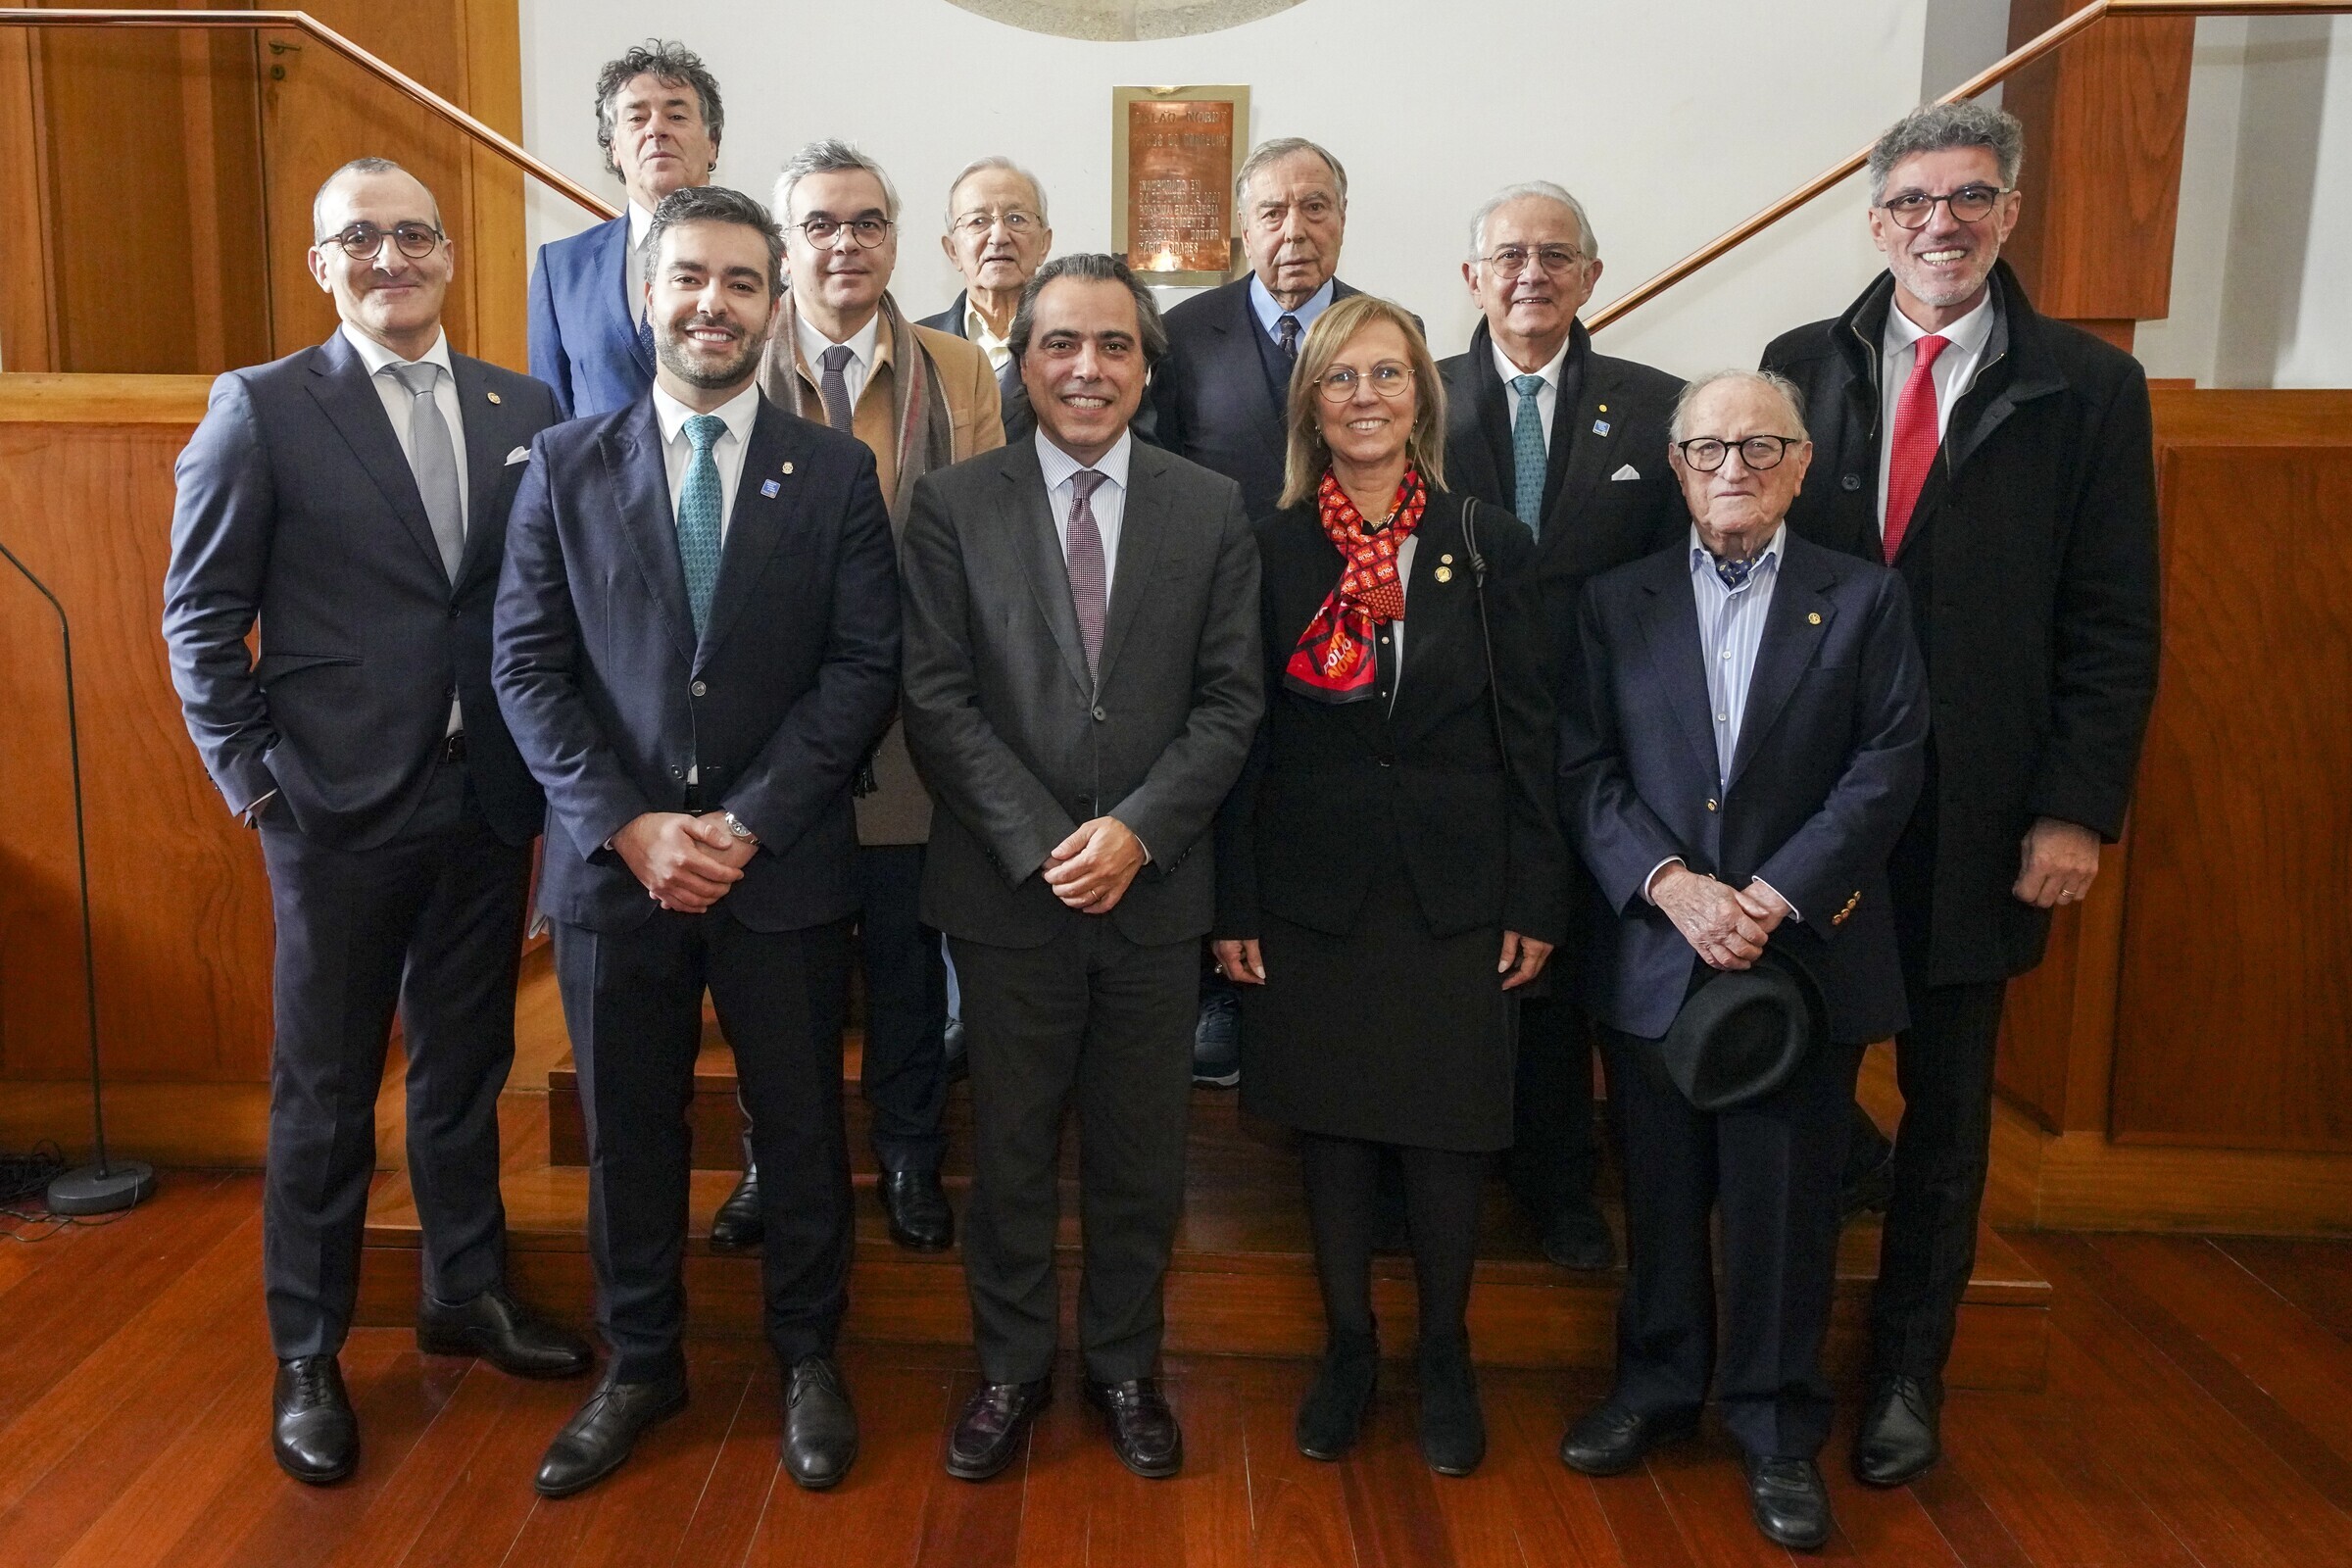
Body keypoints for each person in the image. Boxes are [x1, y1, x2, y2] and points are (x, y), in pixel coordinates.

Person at [163, 157, 590, 1488]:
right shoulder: (262, 408)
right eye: (361, 239)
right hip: (332, 808)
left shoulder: (524, 406)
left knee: (464, 1066)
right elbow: (198, 616)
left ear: (449, 255)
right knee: (329, 1089)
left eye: (413, 236)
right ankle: (310, 1349)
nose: (389, 259)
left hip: (487, 799)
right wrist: (255, 781)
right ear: (322, 264)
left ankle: (464, 1290)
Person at [1761, 102, 2160, 1488]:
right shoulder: (1800, 365)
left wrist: (2075, 807)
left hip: (1982, 807)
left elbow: (2114, 618)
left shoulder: (2090, 388)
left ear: (2009, 213)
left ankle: (1905, 1375)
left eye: (1972, 197)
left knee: (1946, 1109)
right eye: (1916, 201)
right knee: (1800, 1085)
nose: (1944, 223)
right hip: (1816, 805)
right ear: (1876, 221)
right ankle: (1775, 1368)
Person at [493, 184, 900, 1497]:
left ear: (773, 307)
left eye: (740, 281)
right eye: (689, 277)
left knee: (800, 1123)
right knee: (629, 1133)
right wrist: (626, 823)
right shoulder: (564, 465)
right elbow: (526, 667)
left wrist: (745, 821)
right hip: (617, 876)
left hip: (780, 866)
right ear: (646, 295)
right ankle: (640, 1363)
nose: (712, 304)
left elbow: (862, 668)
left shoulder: (833, 472)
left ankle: (809, 1356)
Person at [900, 253, 1262, 1483]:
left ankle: (1124, 1365)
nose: (1087, 367)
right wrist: (1047, 842)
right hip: (1009, 895)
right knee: (1007, 1154)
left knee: (1139, 1155)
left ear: (1147, 367)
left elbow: (1230, 701)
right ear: (1024, 362)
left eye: (1114, 344)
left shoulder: (1209, 507)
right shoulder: (953, 505)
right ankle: (1009, 1367)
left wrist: (1137, 832)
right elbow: (937, 698)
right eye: (1060, 343)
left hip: (1155, 898)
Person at [1555, 368, 1928, 1551]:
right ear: (1676, 467)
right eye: (1709, 449)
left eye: (1762, 447)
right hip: (1659, 950)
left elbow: (1888, 765)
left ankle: (1775, 1430)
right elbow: (1583, 767)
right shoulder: (1614, 602)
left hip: (1801, 955)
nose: (1734, 469)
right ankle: (1659, 1387)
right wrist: (1673, 887)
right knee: (1661, 1194)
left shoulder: (1864, 599)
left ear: (1801, 467)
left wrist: (1769, 895)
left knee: (1785, 1205)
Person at [1212, 294, 1561, 1476]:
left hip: (1458, 889)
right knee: (1336, 1131)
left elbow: (1533, 733)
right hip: (1311, 892)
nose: (1365, 397)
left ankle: (1446, 1355)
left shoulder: (1489, 540)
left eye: (1388, 375)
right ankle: (1350, 1348)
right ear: (1310, 404)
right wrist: (1234, 902)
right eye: (1341, 377)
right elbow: (1242, 740)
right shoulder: (1267, 549)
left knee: (1448, 1134)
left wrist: (1536, 894)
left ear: (1423, 397)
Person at [700, 140, 1004, 1259]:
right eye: (820, 224)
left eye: (866, 222)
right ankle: (772, 1161)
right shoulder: (735, 360)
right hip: (770, 734)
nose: (845, 244)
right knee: (776, 978)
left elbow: (980, 542)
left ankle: (911, 1152)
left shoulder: (958, 372)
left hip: (914, 726)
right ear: (786, 247)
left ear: (896, 240)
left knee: (908, 965)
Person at [1438, 181, 1685, 1273]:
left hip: (1602, 739)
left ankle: (1560, 1182)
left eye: (1554, 255)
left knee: (1571, 963)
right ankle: (1434, 1165)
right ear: (1472, 277)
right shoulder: (1415, 397)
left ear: (1592, 275)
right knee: (1452, 960)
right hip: (1452, 732)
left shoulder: (1658, 406)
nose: (1531, 274)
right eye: (1510, 256)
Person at [1149, 135, 1388, 1088]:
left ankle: (1321, 966)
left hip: (1348, 599)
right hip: (1219, 604)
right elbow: (1158, 468)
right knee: (1223, 780)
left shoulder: (1384, 327)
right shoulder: (1182, 333)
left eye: (1316, 207)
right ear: (1242, 229)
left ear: (1343, 219)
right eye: (1274, 211)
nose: (1296, 230)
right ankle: (1217, 983)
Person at [527, 40, 722, 418]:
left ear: (712, 143)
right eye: (636, 118)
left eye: (676, 116)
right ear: (614, 148)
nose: (656, 129)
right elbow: (550, 415)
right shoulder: (562, 268)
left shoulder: (761, 256)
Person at [921, 155, 1053, 441]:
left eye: (1016, 218)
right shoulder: (915, 347)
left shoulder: (1078, 348)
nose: (999, 236)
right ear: (952, 251)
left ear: (1044, 244)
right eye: (978, 221)